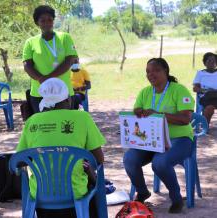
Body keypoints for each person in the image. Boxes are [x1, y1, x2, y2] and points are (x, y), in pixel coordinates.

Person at [16, 78, 105, 218]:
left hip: (40, 195)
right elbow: (99, 159)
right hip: (75, 194)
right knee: (93, 183)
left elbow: (19, 161)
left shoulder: (32, 121)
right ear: (68, 100)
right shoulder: (83, 118)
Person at [123, 58, 195, 214]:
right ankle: (143, 192)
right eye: (148, 71)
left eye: (155, 70)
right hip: (151, 141)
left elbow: (185, 119)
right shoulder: (145, 92)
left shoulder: (179, 90)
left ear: (165, 72)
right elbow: (138, 113)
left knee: (160, 162)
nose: (151, 74)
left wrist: (159, 115)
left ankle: (176, 198)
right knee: (129, 158)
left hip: (179, 139)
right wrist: (138, 113)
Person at [23, 5, 78, 113]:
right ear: (37, 23)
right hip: (40, 93)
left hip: (63, 93)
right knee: (44, 128)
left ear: (53, 21)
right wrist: (40, 79)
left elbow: (69, 60)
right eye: (42, 20)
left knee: (64, 127)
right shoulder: (30, 42)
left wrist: (47, 78)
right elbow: (27, 65)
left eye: (50, 20)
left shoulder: (65, 38)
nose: (47, 23)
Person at [193, 52, 217, 125]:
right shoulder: (200, 73)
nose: (212, 62)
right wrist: (206, 90)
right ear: (205, 63)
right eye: (209, 60)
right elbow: (195, 88)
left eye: (214, 60)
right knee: (209, 109)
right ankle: (205, 127)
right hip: (206, 96)